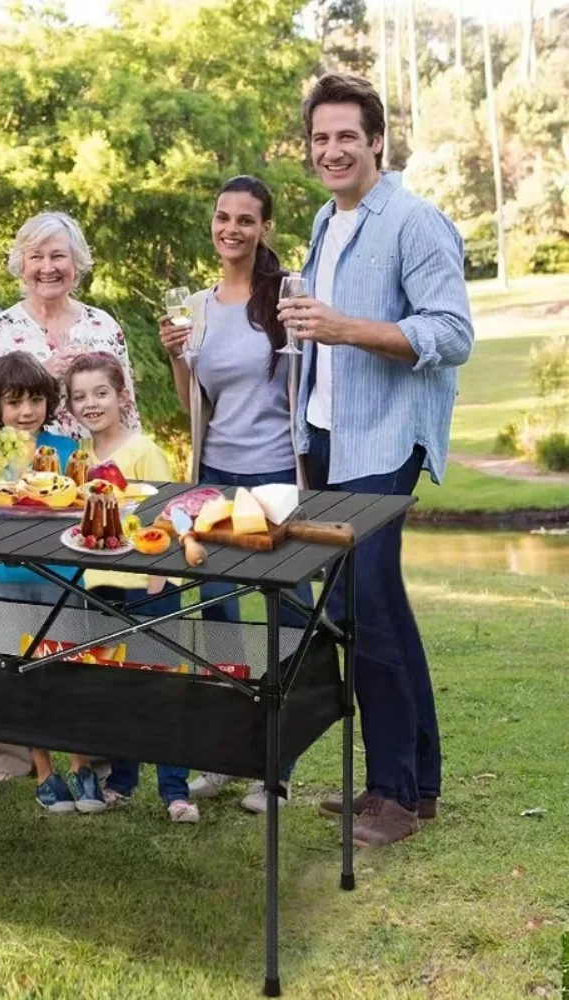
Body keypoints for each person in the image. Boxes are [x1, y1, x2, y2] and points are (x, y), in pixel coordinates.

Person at [277, 73, 473, 847]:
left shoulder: (415, 223)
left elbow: (452, 334)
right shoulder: (328, 222)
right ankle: (415, 785)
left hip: (385, 440)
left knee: (362, 610)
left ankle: (392, 792)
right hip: (330, 438)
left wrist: (346, 327)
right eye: (320, 138)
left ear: (377, 141)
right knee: (377, 606)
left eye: (346, 137)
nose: (332, 150)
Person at [158, 175, 311, 814]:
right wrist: (176, 358)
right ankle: (226, 756)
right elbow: (194, 403)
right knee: (218, 617)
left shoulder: (288, 295)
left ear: (263, 228)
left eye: (245, 220)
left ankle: (276, 766)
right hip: (215, 476)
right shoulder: (196, 306)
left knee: (291, 617)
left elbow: (307, 384)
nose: (231, 229)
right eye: (223, 217)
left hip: (277, 478)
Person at [65, 352, 200, 824]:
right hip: (100, 583)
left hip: (149, 583)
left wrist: (158, 579)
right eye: (80, 396)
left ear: (122, 396)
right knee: (116, 682)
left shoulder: (145, 450)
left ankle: (175, 790)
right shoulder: (79, 460)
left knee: (161, 684)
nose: (91, 403)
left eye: (101, 393)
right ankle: (121, 779)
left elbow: (169, 518)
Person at [0, 351, 81, 785]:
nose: (26, 411)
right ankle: (26, 762)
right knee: (16, 668)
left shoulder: (69, 450)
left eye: (35, 400)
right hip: (8, 576)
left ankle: (83, 759)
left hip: (63, 577)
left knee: (69, 666)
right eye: (14, 402)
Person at [0, 211, 141, 440]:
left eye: (58, 256)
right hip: (24, 471)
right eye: (36, 257)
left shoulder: (104, 326)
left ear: (76, 262)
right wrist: (40, 376)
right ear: (22, 266)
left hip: (100, 466)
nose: (47, 268)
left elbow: (127, 410)